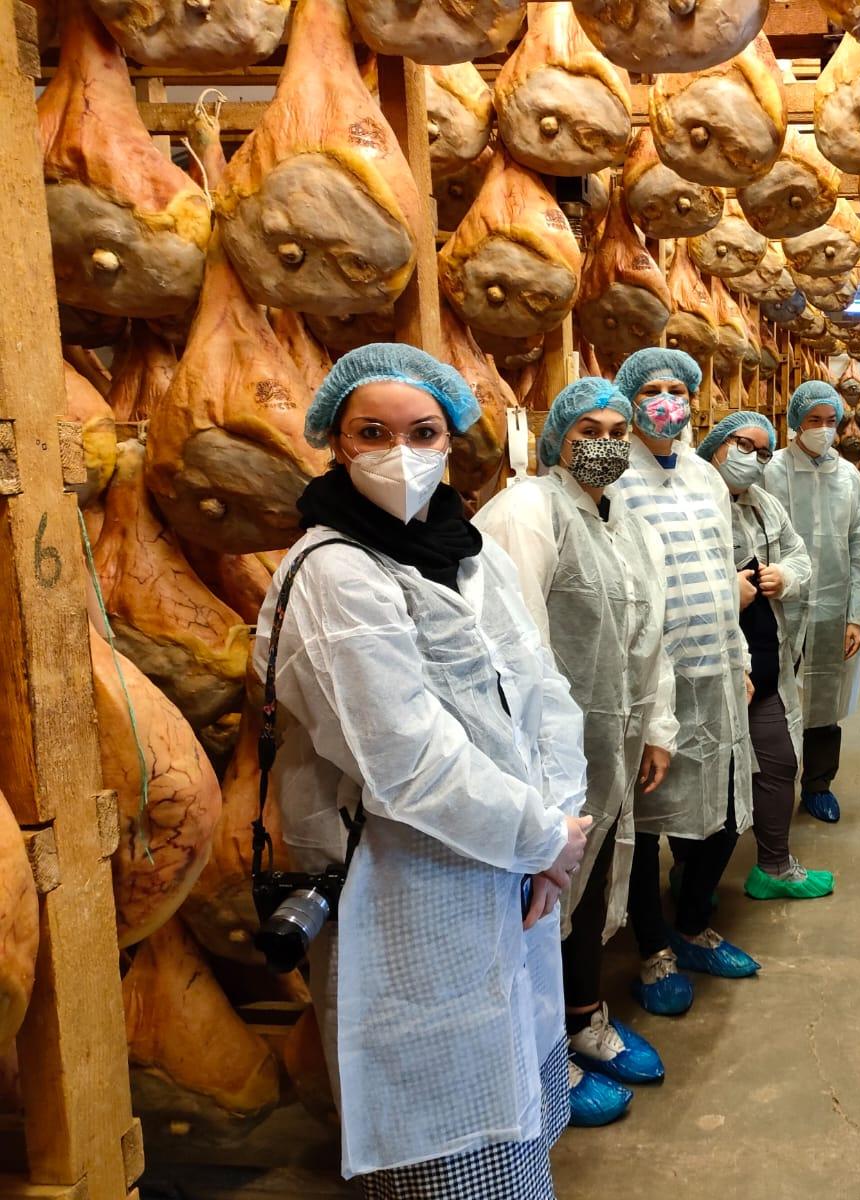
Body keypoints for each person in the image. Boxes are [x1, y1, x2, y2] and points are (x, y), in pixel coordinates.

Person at [256, 344, 590, 1198]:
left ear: (449, 441)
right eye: (374, 432)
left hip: (514, 869)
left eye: (423, 432)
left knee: (509, 1085)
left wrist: (558, 827)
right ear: (336, 442)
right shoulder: (333, 570)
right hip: (408, 886)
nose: (400, 453)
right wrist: (542, 836)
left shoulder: (470, 553)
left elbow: (542, 686)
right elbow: (405, 759)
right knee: (439, 1124)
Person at [475, 377, 679, 1129]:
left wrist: (656, 727)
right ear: (557, 436)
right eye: (590, 429)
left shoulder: (626, 523)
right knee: (537, 895)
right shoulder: (527, 510)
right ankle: (542, 1056)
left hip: (609, 743)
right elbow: (513, 645)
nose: (607, 444)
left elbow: (650, 634)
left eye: (619, 432)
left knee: (588, 887)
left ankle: (585, 1017)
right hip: (542, 752)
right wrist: (537, 760)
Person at [611, 348, 760, 1009]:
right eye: (652, 389)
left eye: (676, 388)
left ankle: (695, 922)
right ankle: (654, 950)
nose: (665, 401)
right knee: (647, 821)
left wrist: (741, 658)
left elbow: (724, 570)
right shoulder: (616, 479)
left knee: (723, 810)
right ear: (630, 399)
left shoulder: (705, 476)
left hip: (717, 665)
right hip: (653, 674)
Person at [697, 411, 835, 900]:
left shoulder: (764, 504)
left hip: (765, 662)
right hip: (707, 667)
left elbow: (798, 552)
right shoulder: (691, 502)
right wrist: (724, 592)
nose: (752, 459)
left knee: (777, 764)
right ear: (716, 444)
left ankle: (773, 866)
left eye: (762, 452)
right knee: (708, 777)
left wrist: (787, 576)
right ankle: (693, 880)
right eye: (743, 445)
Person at [763, 380, 860, 824]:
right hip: (777, 606)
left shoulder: (849, 478)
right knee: (771, 696)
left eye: (831, 421)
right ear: (796, 422)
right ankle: (769, 785)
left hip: (831, 606)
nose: (824, 429)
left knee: (825, 697)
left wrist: (856, 616)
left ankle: (818, 784)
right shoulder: (770, 471)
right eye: (814, 420)